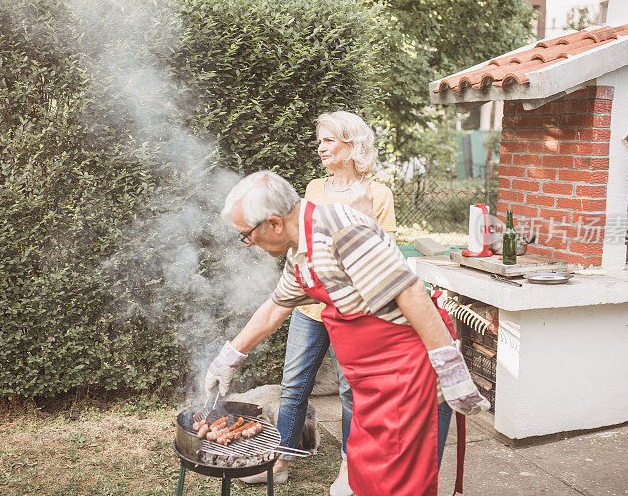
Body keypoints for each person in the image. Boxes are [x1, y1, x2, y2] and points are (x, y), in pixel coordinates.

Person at [205, 170, 489, 496]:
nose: (248, 243)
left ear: (273, 223)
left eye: (247, 234)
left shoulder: (342, 232)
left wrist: (448, 364)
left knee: (399, 485)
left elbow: (409, 290)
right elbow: (275, 308)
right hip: (370, 385)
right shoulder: (301, 250)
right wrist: (230, 356)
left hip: (403, 379)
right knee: (366, 477)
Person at [240, 111, 451, 495]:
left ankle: (349, 468)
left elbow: (387, 260)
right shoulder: (314, 188)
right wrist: (231, 353)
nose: (320, 147)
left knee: (352, 390)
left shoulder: (378, 193)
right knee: (294, 383)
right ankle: (281, 459)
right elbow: (303, 248)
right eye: (319, 140)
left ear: (352, 146)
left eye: (328, 141)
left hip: (354, 314)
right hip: (310, 309)